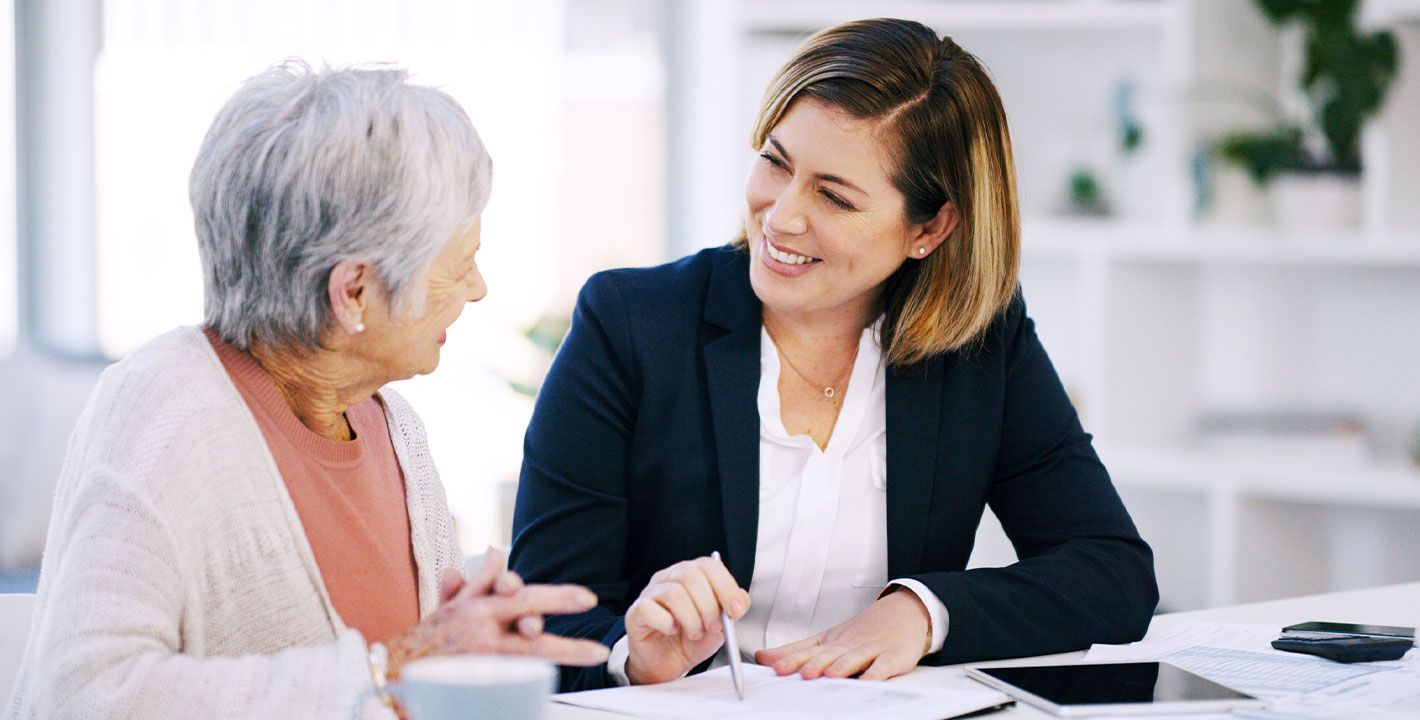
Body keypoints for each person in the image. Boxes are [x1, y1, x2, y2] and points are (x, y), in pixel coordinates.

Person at [509, 18, 1159, 692]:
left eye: (834, 196)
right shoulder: (631, 324)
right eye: (775, 162)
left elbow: (1110, 571)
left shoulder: (979, 345)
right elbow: (540, 620)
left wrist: (921, 612)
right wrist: (633, 655)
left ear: (930, 228)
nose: (782, 215)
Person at [5, 61, 608, 720]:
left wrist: (472, 641)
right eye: (459, 264)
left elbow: (418, 669)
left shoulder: (395, 425)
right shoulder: (163, 409)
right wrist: (393, 668)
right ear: (354, 292)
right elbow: (79, 699)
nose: (477, 289)